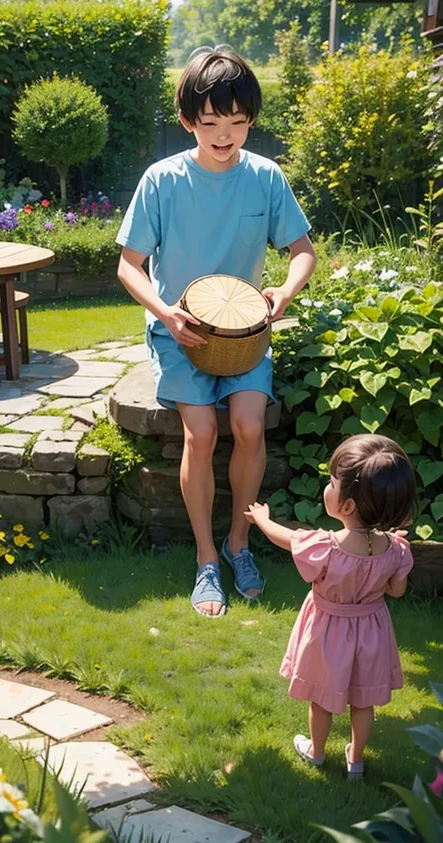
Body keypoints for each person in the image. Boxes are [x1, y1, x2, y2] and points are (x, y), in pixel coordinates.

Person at [116, 46, 316, 618]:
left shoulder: (266, 177)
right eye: (211, 124)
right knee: (201, 434)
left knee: (250, 425)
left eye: (237, 123)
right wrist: (165, 313)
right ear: (188, 122)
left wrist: (283, 291)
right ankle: (207, 559)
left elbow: (303, 252)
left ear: (251, 120)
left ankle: (238, 543)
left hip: (247, 335)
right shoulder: (161, 180)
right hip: (178, 332)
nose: (225, 135)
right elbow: (129, 266)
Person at [245, 434, 416, 779]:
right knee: (362, 701)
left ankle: (317, 752)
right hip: (372, 632)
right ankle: (356, 759)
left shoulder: (327, 547)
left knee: (322, 699)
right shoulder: (396, 549)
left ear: (348, 505)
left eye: (332, 481)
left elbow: (287, 538)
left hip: (328, 632)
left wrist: (262, 519)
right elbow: (396, 592)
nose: (328, 485)